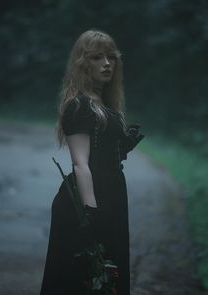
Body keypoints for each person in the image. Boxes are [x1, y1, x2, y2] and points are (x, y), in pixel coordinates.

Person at [40, 29, 143, 295]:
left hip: (112, 195)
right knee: (81, 278)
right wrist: (90, 213)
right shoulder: (79, 106)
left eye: (111, 57)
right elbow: (80, 163)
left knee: (111, 273)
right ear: (83, 63)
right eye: (98, 57)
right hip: (88, 199)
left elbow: (104, 157)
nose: (107, 63)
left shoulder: (106, 104)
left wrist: (121, 148)